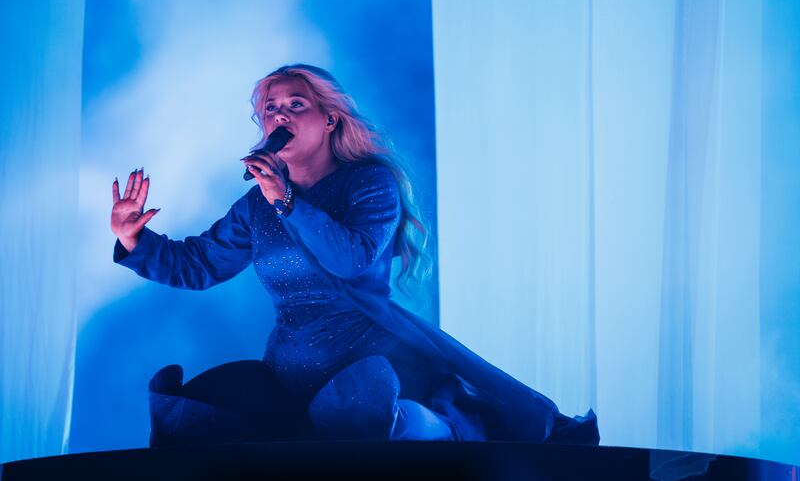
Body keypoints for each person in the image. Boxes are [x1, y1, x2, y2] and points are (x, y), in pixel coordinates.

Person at [111, 64, 599, 445]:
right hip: (290, 371)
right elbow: (200, 266)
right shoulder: (256, 204)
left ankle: (435, 428)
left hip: (373, 359)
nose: (279, 115)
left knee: (360, 412)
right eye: (270, 108)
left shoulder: (369, 183)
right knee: (193, 415)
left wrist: (287, 201)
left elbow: (352, 260)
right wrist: (135, 238)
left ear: (328, 118)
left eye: (295, 103)